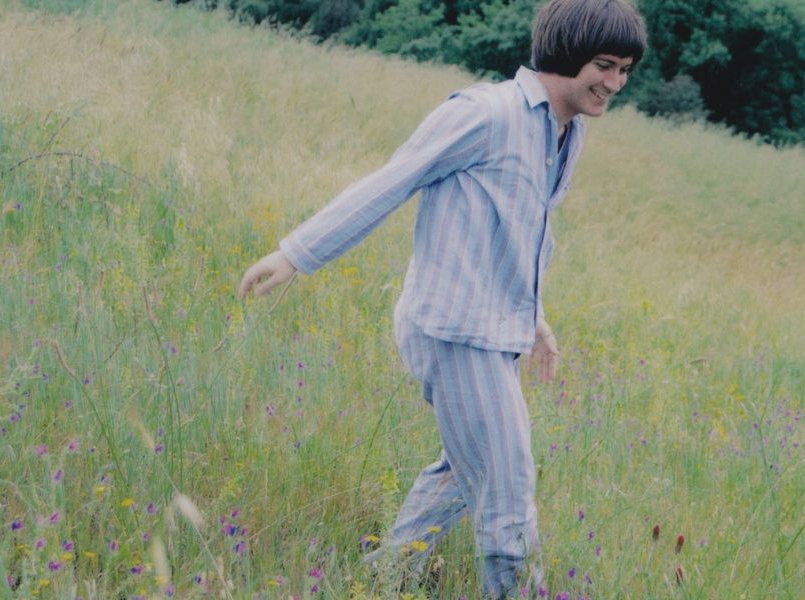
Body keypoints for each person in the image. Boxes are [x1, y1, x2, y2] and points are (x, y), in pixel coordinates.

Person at [238, 1, 647, 596]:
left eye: (625, 70)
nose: (615, 83)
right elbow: (394, 179)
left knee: (465, 468)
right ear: (565, 54)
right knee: (508, 499)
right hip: (455, 329)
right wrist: (296, 253)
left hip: (494, 326)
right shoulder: (486, 114)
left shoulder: (567, 132)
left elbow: (522, 229)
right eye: (604, 66)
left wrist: (535, 320)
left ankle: (386, 579)